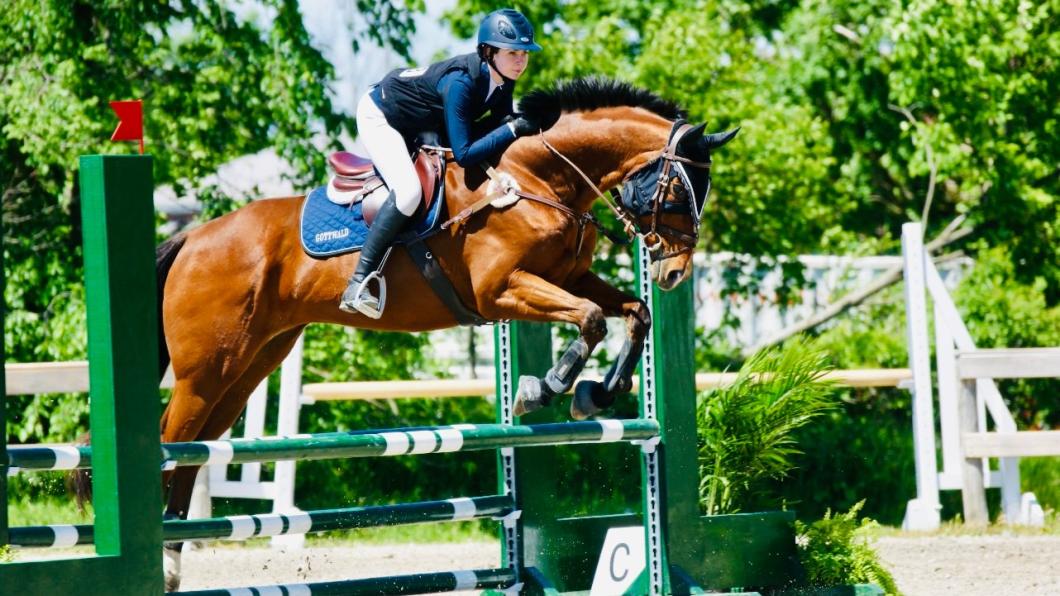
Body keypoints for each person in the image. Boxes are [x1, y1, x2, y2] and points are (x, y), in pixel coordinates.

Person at [340, 8, 550, 318]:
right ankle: (358, 282)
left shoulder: (503, 78)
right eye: (513, 53)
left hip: (423, 123)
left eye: (525, 53)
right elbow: (465, 154)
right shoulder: (462, 83)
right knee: (409, 192)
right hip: (382, 117)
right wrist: (512, 128)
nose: (521, 60)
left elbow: (499, 123)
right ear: (489, 52)